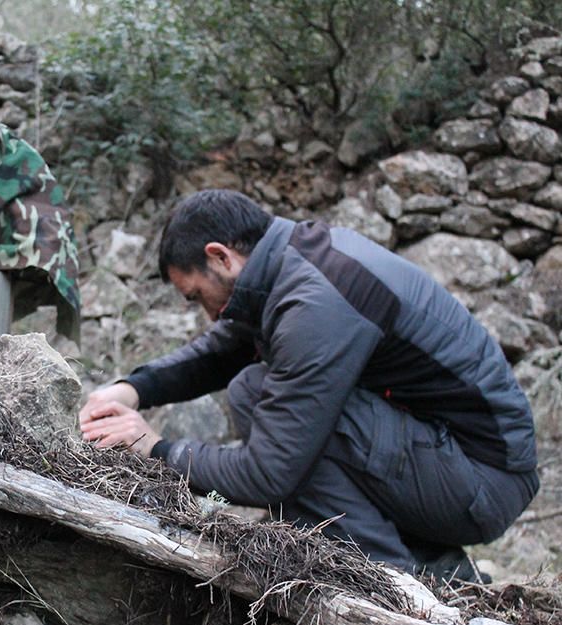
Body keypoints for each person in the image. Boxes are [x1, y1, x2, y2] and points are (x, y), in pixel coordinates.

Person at [78, 189, 539, 581]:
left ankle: (389, 575)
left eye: (198, 295)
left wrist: (156, 448)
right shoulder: (295, 262)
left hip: (482, 483)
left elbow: (270, 472)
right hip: (454, 463)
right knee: (255, 392)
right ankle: (434, 564)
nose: (208, 313)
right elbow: (223, 349)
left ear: (221, 256)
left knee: (260, 398)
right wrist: (134, 389)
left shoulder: (316, 302)